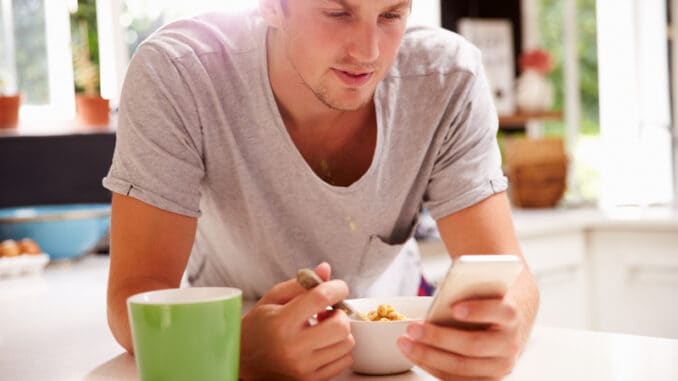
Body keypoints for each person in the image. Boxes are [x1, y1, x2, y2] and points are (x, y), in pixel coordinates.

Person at [104, 0, 540, 379]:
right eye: (337, 12)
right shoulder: (179, 73)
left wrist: (510, 326)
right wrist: (233, 349)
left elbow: (511, 276)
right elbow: (135, 297)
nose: (368, 52)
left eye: (390, 14)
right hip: (234, 337)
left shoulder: (448, 78)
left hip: (391, 354)